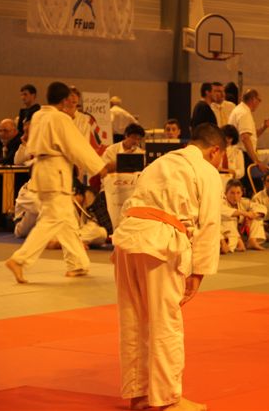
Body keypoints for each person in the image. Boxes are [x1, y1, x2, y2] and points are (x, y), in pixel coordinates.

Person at [111, 123, 225, 411]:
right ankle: (168, 399)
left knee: (133, 318)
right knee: (165, 322)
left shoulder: (159, 163)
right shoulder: (206, 170)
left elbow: (131, 202)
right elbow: (210, 223)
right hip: (160, 242)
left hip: (127, 238)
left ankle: (138, 394)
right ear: (215, 150)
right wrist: (198, 272)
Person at [5, 82, 108, 283]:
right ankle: (20, 260)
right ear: (64, 100)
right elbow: (76, 147)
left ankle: (78, 263)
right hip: (56, 172)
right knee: (52, 219)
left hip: (41, 170)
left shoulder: (38, 116)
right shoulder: (60, 118)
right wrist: (99, 167)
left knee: (67, 220)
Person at [228, 89, 269, 177]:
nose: (259, 103)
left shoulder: (240, 110)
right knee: (254, 181)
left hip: (243, 154)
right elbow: (245, 138)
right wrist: (256, 161)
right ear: (253, 99)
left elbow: (251, 137)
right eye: (259, 100)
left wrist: (263, 127)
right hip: (243, 155)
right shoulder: (244, 113)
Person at [221, 179, 267, 252]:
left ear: (242, 193)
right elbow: (223, 211)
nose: (235, 196)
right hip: (227, 232)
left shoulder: (243, 201)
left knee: (257, 218)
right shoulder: (221, 202)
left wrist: (252, 215)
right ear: (225, 193)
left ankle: (252, 241)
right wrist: (245, 213)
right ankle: (237, 243)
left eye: (238, 193)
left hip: (241, 231)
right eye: (232, 193)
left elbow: (261, 208)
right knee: (228, 220)